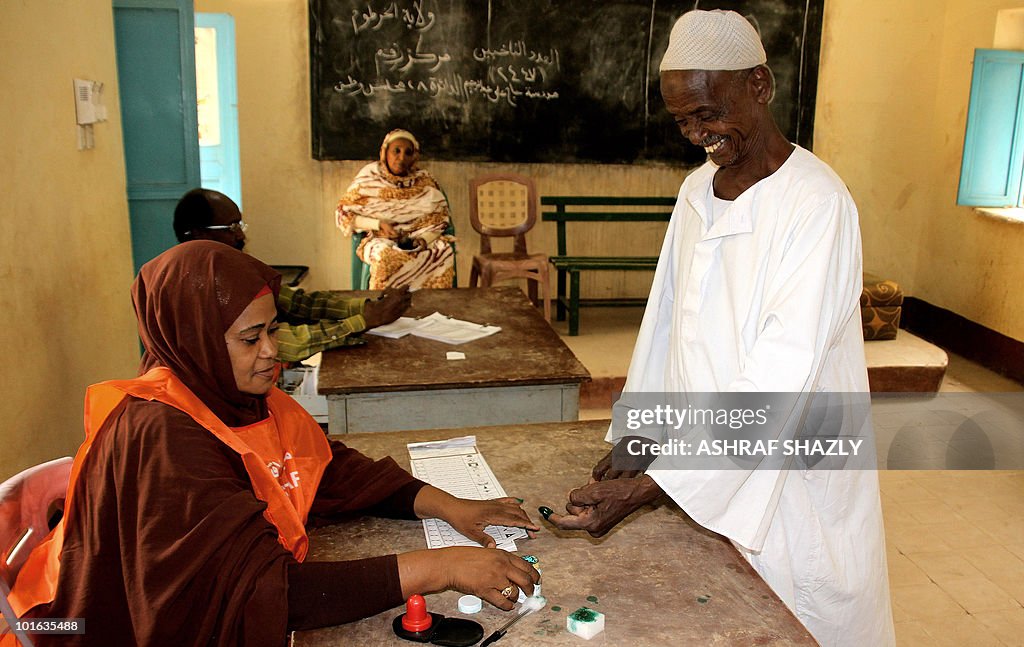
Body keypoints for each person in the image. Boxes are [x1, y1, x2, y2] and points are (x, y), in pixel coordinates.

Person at [544, 10, 894, 647]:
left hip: (792, 469)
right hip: (705, 461)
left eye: (707, 112)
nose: (697, 134)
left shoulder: (816, 202)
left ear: (759, 84)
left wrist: (662, 481)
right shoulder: (695, 193)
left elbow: (783, 370)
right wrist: (642, 437)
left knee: (796, 615)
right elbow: (666, 327)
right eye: (682, 120)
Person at [5, 241, 539, 646]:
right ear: (193, 338)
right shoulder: (163, 439)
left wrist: (451, 506)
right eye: (249, 339)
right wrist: (440, 566)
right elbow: (265, 592)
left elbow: (322, 469)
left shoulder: (231, 390)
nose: (271, 353)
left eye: (272, 330)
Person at [174, 188, 411, 362]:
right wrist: (365, 320)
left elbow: (298, 303)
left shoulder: (236, 267)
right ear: (197, 235)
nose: (241, 236)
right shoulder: (200, 286)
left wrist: (370, 307)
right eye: (232, 228)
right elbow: (285, 343)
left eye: (240, 226)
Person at [335, 129, 455, 290]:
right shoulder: (369, 177)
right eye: (396, 151)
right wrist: (379, 224)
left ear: (414, 156)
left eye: (408, 152)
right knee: (385, 257)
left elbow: (440, 220)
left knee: (442, 252)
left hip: (417, 239)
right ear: (385, 153)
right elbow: (345, 214)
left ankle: (431, 311)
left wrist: (424, 239)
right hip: (379, 238)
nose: (401, 158)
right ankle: (385, 310)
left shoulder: (424, 181)